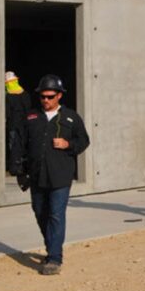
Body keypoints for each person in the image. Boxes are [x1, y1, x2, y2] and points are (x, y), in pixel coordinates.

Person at [21, 73, 90, 275]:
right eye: (43, 96)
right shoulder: (32, 116)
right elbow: (22, 144)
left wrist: (68, 144)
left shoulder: (71, 117)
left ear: (59, 96)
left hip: (60, 176)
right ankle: (52, 245)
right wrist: (20, 170)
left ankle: (54, 258)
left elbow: (84, 141)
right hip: (37, 176)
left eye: (50, 96)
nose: (46, 100)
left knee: (56, 215)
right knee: (40, 212)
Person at [4, 71, 28, 176]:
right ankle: (22, 167)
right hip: (24, 124)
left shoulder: (8, 97)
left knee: (13, 145)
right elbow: (28, 108)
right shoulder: (25, 94)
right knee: (23, 144)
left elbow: (7, 112)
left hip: (13, 124)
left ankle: (15, 168)